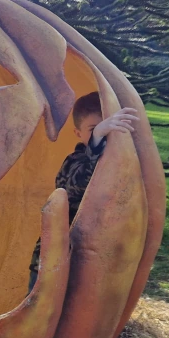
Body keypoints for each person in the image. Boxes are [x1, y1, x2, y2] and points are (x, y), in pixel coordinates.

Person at [28, 92, 140, 291]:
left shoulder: (122, 165)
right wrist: (97, 139)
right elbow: (81, 183)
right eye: (94, 129)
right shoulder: (74, 161)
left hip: (92, 258)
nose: (106, 136)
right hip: (56, 256)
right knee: (40, 307)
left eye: (110, 128)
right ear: (78, 133)